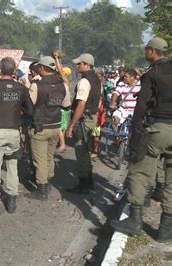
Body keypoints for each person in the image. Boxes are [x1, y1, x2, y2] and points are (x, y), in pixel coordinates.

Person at [110, 37, 171, 242]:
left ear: (152, 51)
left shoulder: (152, 73)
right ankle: (165, 228)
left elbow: (141, 107)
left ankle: (135, 220)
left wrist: (136, 135)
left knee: (139, 169)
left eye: (147, 49)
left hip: (158, 129)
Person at [0, 57, 33, 214]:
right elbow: (30, 110)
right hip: (14, 132)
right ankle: (12, 202)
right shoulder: (21, 88)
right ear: (14, 70)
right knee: (12, 167)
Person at [25, 56, 70, 201]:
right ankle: (48, 180)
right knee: (49, 156)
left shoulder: (36, 85)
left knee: (40, 159)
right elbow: (66, 105)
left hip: (40, 127)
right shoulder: (63, 85)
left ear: (42, 68)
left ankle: (42, 188)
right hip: (55, 127)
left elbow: (28, 105)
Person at [65, 53, 102, 194]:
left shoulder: (84, 81)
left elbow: (81, 104)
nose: (77, 65)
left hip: (84, 120)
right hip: (92, 117)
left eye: (79, 64)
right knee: (87, 149)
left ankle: (84, 184)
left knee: (81, 152)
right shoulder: (96, 79)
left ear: (86, 64)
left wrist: (71, 126)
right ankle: (88, 181)